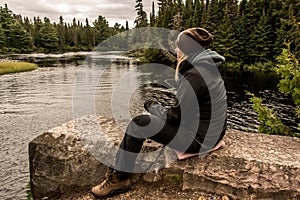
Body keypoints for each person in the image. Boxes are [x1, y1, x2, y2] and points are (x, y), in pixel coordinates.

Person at [91, 27, 227, 198]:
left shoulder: (195, 76)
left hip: (199, 139)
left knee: (139, 124)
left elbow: (175, 117)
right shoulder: (208, 66)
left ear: (186, 50)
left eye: (178, 47)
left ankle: (119, 178)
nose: (176, 50)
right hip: (212, 133)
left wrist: (153, 106)